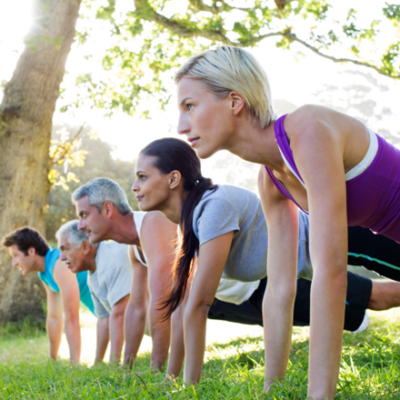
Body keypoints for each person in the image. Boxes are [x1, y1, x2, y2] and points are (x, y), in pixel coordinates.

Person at [174, 46, 400, 398]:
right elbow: (280, 290)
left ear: (235, 101)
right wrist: (271, 390)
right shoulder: (271, 180)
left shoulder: (307, 129)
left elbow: (332, 272)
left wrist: (318, 396)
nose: (181, 125)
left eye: (189, 105)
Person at [131, 137, 400, 387]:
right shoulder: (191, 221)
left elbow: (199, 304)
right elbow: (184, 307)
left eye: (142, 177)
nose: (135, 187)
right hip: (315, 258)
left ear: (173, 179)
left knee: (375, 296)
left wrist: (190, 388)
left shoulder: (214, 209)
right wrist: (172, 379)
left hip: (340, 234)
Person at [71, 177, 177, 370]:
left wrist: (156, 369)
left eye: (84, 215)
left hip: (245, 294)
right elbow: (137, 308)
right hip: (221, 302)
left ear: (108, 210)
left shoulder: (152, 221)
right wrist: (125, 367)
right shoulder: (134, 246)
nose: (79, 225)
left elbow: (161, 302)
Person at [1, 227, 95, 364]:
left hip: (118, 309)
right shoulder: (45, 273)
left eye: (16, 256)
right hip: (107, 313)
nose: (14, 263)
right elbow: (54, 317)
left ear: (31, 251)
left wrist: (74, 364)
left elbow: (72, 318)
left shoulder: (59, 264)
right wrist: (52, 360)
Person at [56, 220, 131, 365]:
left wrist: (113, 364)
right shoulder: (93, 270)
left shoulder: (111, 262)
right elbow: (104, 318)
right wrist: (98, 362)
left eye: (65, 249)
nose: (61, 257)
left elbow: (120, 314)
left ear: (85, 246)